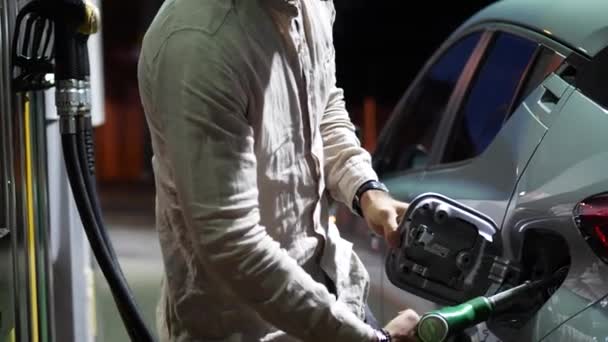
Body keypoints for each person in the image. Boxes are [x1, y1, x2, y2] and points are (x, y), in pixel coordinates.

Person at [137, 0, 420, 341]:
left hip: (334, 290)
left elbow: (323, 103)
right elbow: (232, 242)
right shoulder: (199, 43)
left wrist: (365, 189)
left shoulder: (310, 4)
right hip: (247, 328)